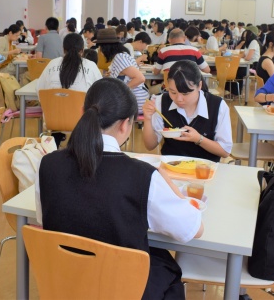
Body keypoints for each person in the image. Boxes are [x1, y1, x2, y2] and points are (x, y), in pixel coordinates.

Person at [36, 77, 203, 299]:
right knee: (165, 266)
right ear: (125, 124)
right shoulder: (144, 176)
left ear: (82, 112)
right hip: (122, 288)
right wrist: (167, 180)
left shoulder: (48, 164)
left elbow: (44, 219)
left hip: (66, 281)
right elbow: (193, 229)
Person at [142, 60, 232, 163]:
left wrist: (199, 139)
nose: (179, 99)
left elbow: (225, 151)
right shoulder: (161, 101)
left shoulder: (217, 106)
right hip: (171, 167)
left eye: (185, 94)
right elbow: (150, 146)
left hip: (205, 169)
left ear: (199, 86)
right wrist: (147, 118)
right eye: (173, 92)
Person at [99, 28, 149, 114]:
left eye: (100, 47)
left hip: (136, 100)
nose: (100, 50)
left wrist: (121, 91)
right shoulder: (121, 55)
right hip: (137, 98)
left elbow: (140, 78)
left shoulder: (120, 58)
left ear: (106, 47)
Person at [36, 33, 102, 93]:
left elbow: (39, 90)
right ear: (82, 51)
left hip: (53, 102)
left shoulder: (52, 63)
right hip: (81, 103)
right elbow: (101, 93)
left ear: (63, 50)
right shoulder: (91, 66)